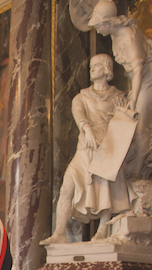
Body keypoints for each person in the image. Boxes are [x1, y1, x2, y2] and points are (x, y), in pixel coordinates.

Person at [41, 54, 136, 244]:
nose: (91, 69)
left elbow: (127, 123)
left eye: (95, 66)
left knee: (105, 190)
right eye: (91, 66)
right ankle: (60, 233)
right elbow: (78, 114)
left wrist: (122, 112)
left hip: (107, 148)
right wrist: (87, 129)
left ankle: (102, 230)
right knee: (68, 183)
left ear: (106, 69)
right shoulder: (82, 96)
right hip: (86, 148)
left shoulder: (118, 97)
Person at [87, 0, 152, 177]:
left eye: (99, 25)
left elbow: (139, 70)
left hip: (149, 80)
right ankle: (133, 167)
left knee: (140, 126)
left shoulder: (127, 35)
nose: (98, 30)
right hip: (136, 80)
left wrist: (132, 98)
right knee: (133, 125)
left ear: (107, 22)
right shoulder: (114, 35)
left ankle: (138, 172)